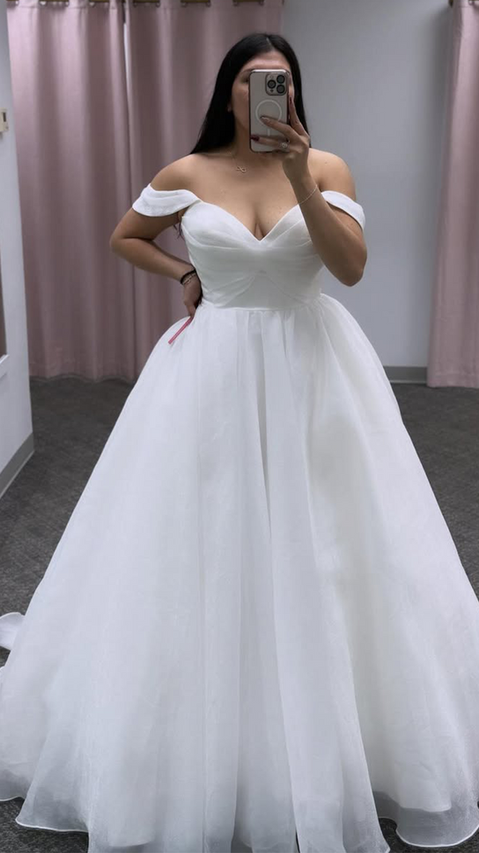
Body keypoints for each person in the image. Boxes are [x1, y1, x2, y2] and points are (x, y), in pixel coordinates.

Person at [1, 31, 479, 853]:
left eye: (280, 81)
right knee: (199, 537)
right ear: (228, 91)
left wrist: (296, 175)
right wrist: (183, 274)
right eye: (254, 81)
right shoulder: (187, 173)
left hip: (313, 367)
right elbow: (125, 236)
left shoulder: (325, 168)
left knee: (336, 538)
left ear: (294, 91)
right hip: (209, 372)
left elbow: (349, 267)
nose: (267, 92)